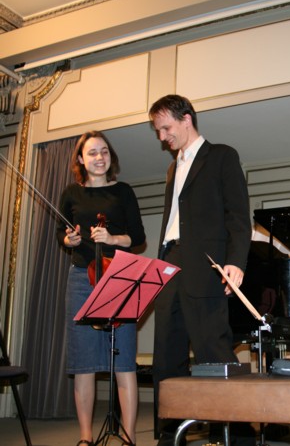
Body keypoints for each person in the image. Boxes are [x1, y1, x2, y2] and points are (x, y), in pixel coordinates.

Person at [148, 94, 252, 445]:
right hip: (168, 266)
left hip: (206, 267)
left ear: (186, 119)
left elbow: (238, 215)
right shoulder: (172, 167)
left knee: (214, 355)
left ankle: (237, 439)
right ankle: (169, 437)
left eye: (166, 128)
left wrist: (236, 261)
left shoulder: (222, 156)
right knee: (165, 357)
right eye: (157, 131)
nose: (162, 137)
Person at [57, 130, 146, 446]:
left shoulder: (123, 191)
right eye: (92, 152)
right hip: (82, 277)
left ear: (110, 156)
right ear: (81, 158)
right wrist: (71, 240)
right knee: (84, 364)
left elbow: (137, 237)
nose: (99, 157)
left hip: (118, 276)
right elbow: (62, 235)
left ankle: (129, 436)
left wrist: (112, 239)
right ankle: (84, 437)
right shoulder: (71, 193)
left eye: (104, 151)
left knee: (123, 363)